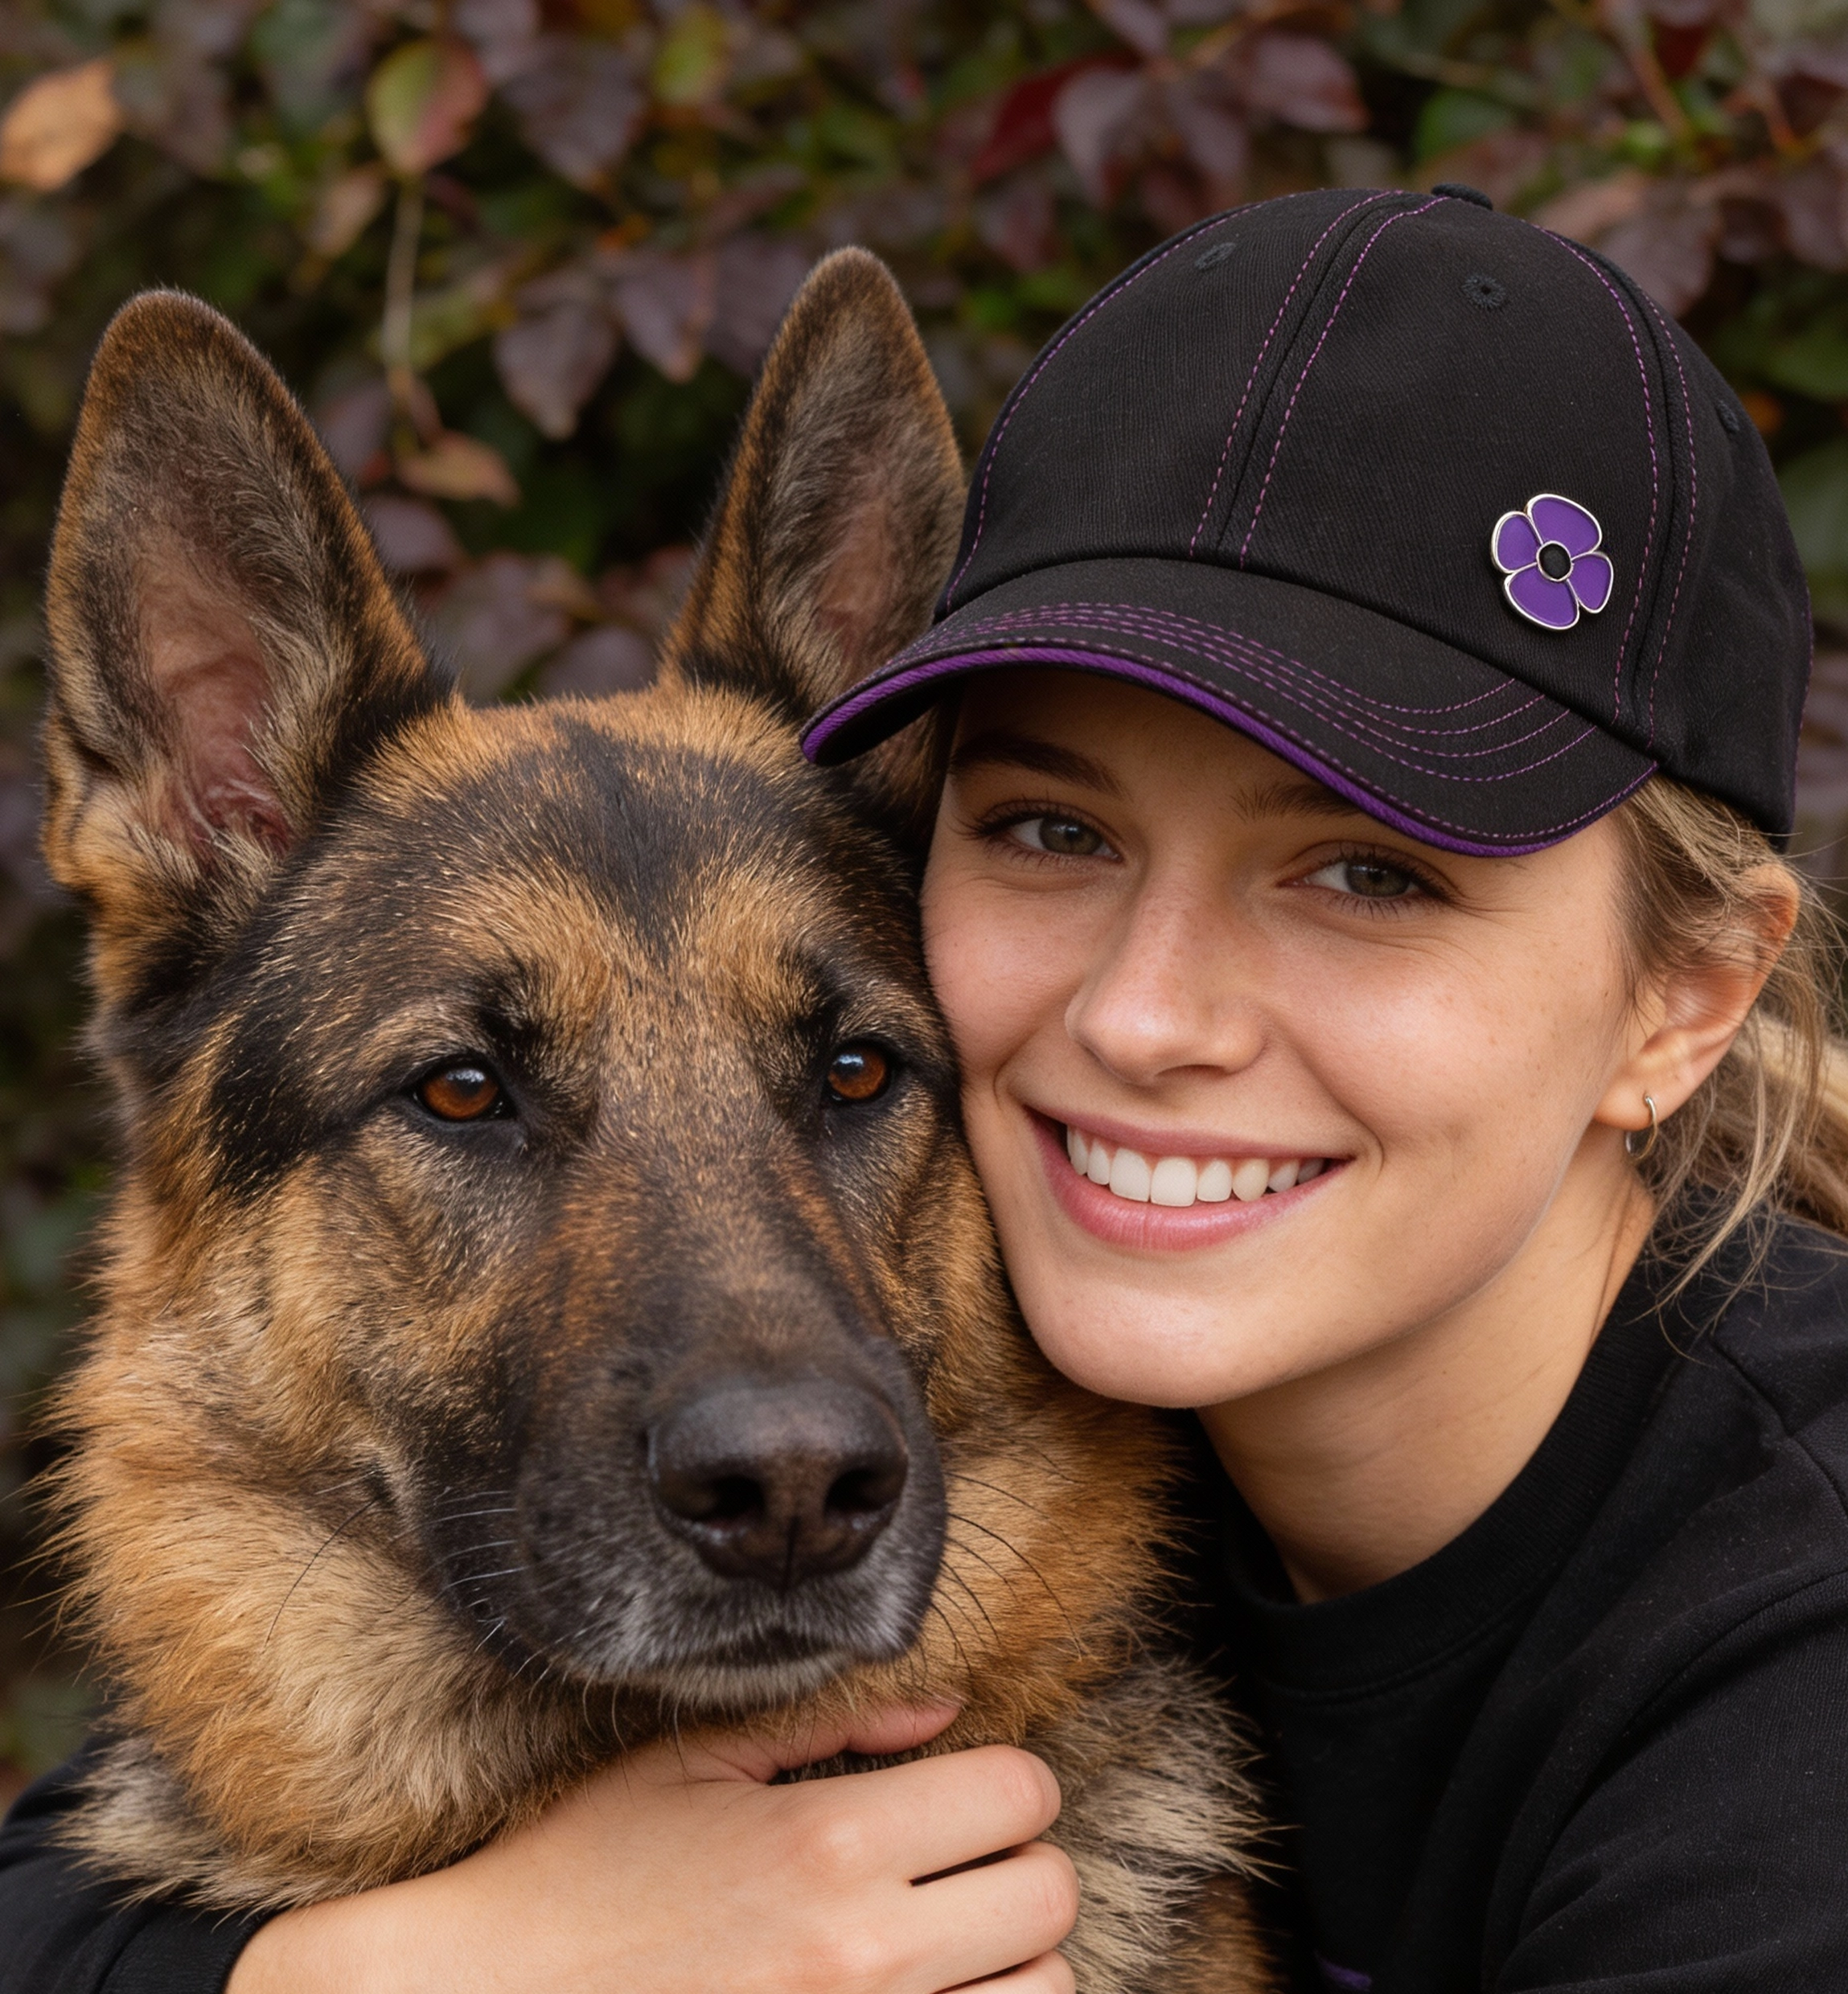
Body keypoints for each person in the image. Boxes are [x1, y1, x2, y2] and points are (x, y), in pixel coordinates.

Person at [6, 185, 1847, 1992]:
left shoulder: (1788, 1685)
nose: (1148, 1017)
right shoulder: (1168, 1344)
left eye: (1370, 872)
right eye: (1057, 830)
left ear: (1685, 996)